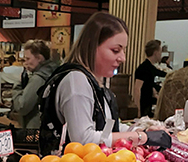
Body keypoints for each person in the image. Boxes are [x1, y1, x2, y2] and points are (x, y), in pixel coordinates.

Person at [38, 12, 152, 152]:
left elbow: (107, 126)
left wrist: (140, 130)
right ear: (92, 47)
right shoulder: (76, 81)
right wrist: (140, 136)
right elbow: (84, 140)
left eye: (124, 50)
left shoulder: (94, 80)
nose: (123, 58)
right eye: (115, 50)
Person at [10, 39, 57, 129]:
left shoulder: (38, 79)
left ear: (39, 58)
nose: (25, 63)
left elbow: (22, 107)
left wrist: (17, 86)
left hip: (34, 129)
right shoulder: (51, 73)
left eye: (28, 59)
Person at [133, 39, 167, 118]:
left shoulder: (151, 68)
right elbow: (137, 89)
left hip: (149, 106)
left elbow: (150, 85)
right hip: (144, 107)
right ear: (155, 53)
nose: (161, 55)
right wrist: (138, 110)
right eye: (160, 52)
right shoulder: (144, 68)